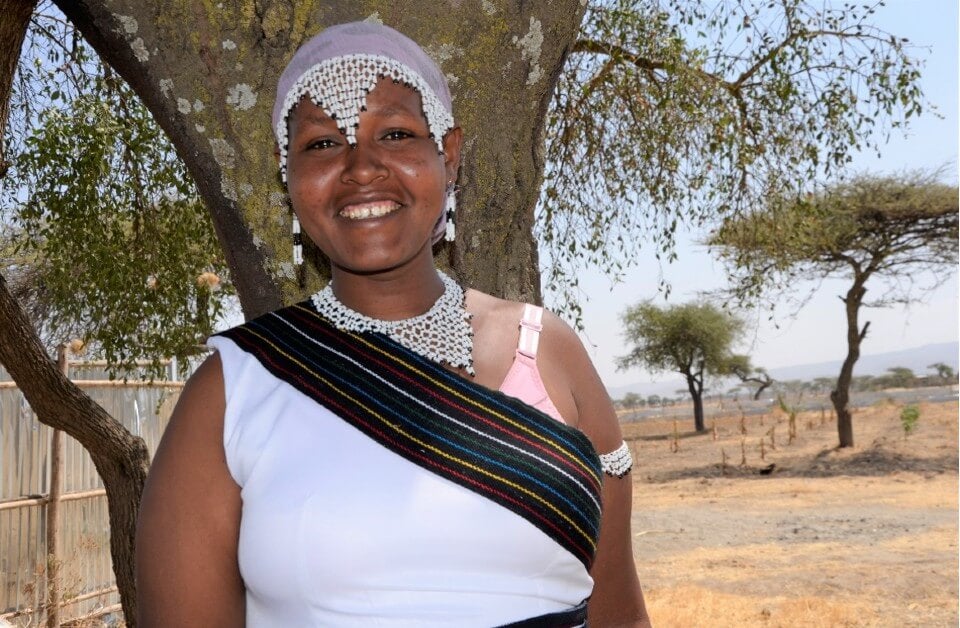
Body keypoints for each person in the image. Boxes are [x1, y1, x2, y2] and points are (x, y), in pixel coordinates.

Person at [136, 21, 652, 627]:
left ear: (449, 155)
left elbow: (624, 617)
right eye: (324, 144)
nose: (361, 167)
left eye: (398, 133)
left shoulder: (547, 352)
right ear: (288, 175)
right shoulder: (232, 390)